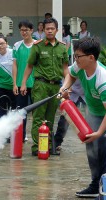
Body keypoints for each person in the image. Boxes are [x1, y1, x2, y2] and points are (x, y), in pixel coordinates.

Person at [59, 37, 106, 199]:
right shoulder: (80, 66)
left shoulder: (104, 79)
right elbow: (71, 75)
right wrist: (64, 87)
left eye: (78, 56)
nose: (75, 59)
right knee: (92, 148)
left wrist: (100, 132)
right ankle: (95, 185)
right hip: (94, 111)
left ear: (91, 57)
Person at [20, 17, 68, 156]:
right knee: (38, 117)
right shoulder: (38, 46)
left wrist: (66, 85)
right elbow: (30, 66)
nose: (50, 31)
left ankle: (47, 145)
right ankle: (37, 147)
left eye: (52, 28)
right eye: (47, 28)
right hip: (40, 85)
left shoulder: (62, 47)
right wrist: (23, 83)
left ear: (57, 30)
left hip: (55, 87)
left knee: (51, 116)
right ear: (43, 30)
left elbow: (65, 68)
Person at [12, 20, 35, 142]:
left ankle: (37, 137)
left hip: (36, 84)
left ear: (31, 30)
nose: (24, 32)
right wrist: (15, 83)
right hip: (21, 84)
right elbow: (14, 65)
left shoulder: (37, 45)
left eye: (26, 30)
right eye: (21, 30)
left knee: (36, 112)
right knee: (21, 111)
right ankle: (21, 135)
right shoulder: (16, 45)